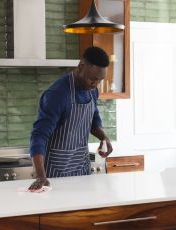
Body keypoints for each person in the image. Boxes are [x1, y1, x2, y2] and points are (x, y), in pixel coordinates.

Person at [28, 46, 113, 192]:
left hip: (82, 169)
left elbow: (94, 119)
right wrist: (41, 176)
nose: (95, 84)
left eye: (100, 80)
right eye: (93, 79)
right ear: (81, 67)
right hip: (55, 174)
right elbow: (38, 136)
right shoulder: (57, 94)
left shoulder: (92, 91)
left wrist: (104, 138)